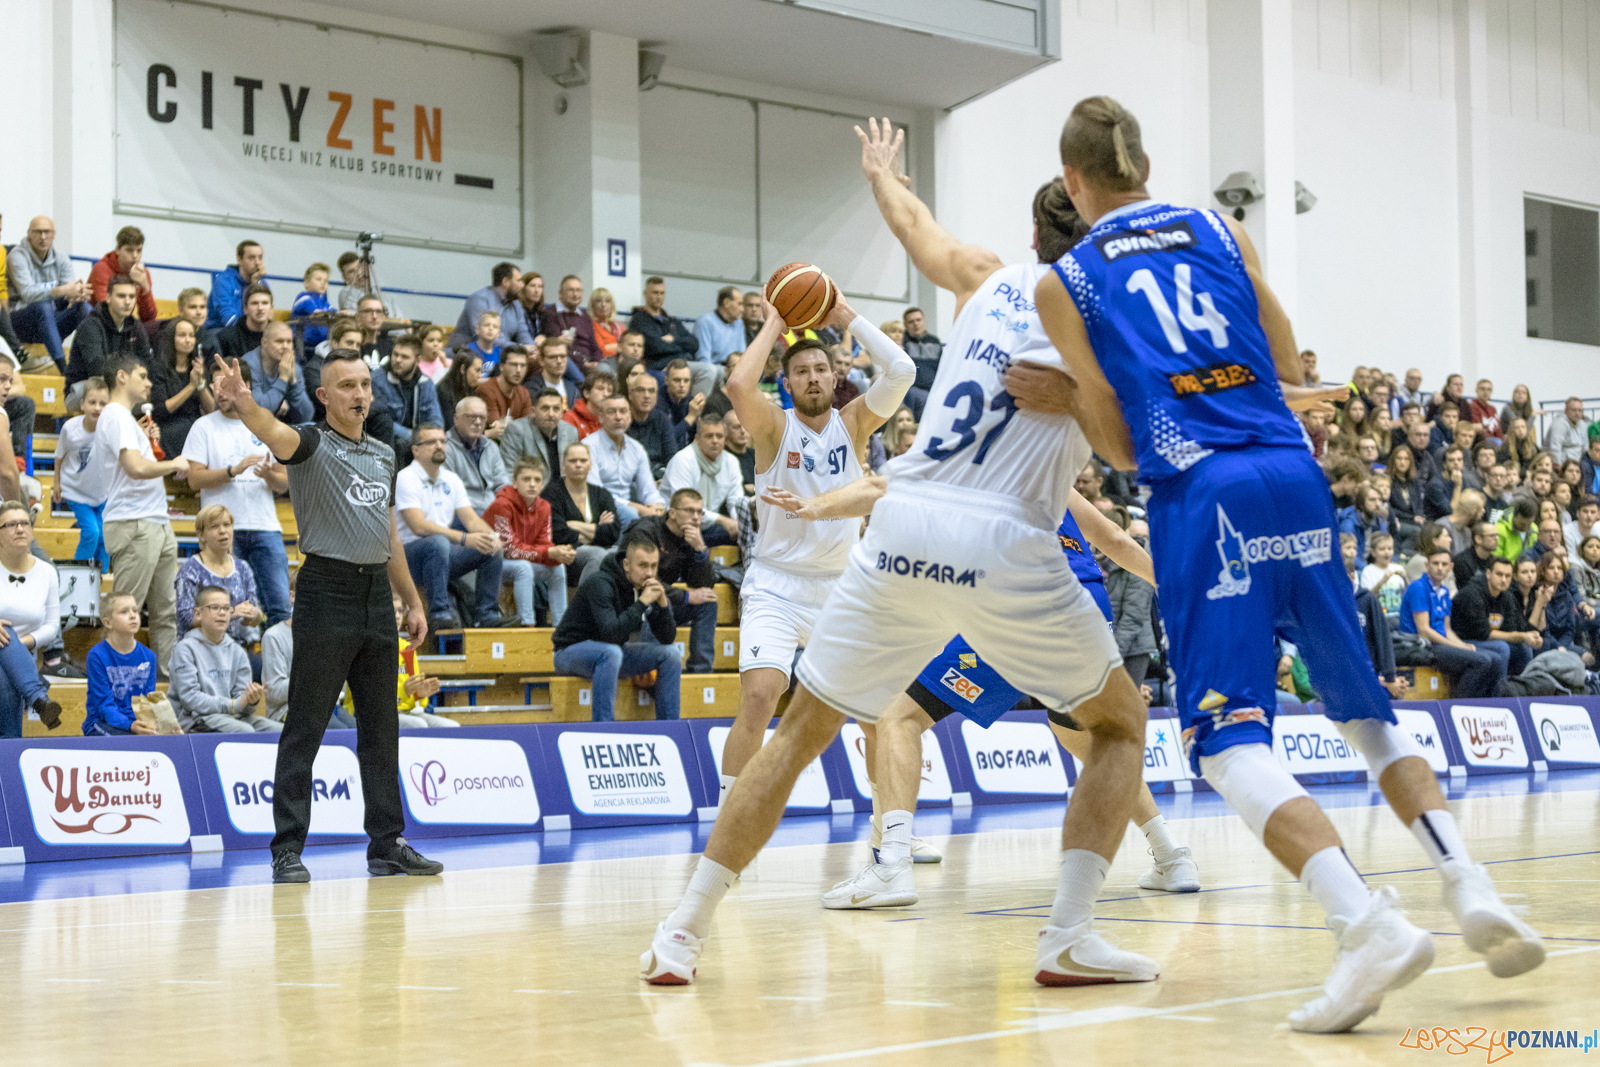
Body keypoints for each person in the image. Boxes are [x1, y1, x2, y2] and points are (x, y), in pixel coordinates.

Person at [1032, 96, 1539, 1030]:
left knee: (1224, 740)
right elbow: (1282, 358)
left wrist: (1069, 396)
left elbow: (1116, 443)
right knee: (1365, 713)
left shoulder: (1068, 280)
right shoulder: (1219, 228)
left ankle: (1364, 922)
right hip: (1291, 472)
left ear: (1072, 182)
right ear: (1143, 164)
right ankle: (1469, 885)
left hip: (1203, 489)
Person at [644, 120, 1145, 995]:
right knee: (1118, 725)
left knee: (801, 730)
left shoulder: (989, 280)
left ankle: (681, 930)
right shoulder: (1109, 310)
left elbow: (918, 228)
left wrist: (879, 173)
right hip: (1003, 538)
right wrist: (1074, 394)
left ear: (1034, 236)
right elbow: (1129, 450)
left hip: (903, 522)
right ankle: (1067, 933)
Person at [209, 345, 440, 883]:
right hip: (325, 590)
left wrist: (411, 599)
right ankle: (287, 849)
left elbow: (389, 536)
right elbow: (274, 432)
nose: (359, 394)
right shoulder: (310, 442)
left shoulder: (386, 454)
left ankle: (387, 845)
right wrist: (245, 404)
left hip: (375, 598)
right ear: (323, 395)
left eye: (364, 384)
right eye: (346, 386)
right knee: (306, 726)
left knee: (382, 729)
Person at [95, 356, 190, 672]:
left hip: (154, 521)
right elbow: (135, 468)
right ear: (121, 377)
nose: (149, 383)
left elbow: (134, 463)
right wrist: (174, 463)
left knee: (167, 611)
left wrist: (148, 442)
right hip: (134, 522)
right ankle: (114, 684)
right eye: (143, 375)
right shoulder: (117, 415)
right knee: (125, 610)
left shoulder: (124, 420)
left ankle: (170, 683)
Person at [551, 530, 682, 722]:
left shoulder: (644, 585)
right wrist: (642, 603)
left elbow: (667, 638)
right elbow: (611, 633)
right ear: (626, 564)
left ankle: (671, 728)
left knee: (671, 654)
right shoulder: (600, 583)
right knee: (611, 652)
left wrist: (662, 605)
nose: (649, 573)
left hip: (611, 656)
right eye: (643, 565)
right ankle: (604, 728)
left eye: (654, 566)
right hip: (570, 653)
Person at [396, 423, 507, 632]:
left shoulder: (451, 479)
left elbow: (471, 520)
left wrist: (491, 536)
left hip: (440, 557)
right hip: (408, 559)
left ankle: (486, 614)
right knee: (438, 543)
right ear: (415, 450)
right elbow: (418, 526)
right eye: (431, 442)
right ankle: (439, 613)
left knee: (490, 546)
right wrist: (464, 539)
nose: (439, 446)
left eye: (442, 441)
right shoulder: (406, 478)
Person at [624, 489, 720, 672]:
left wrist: (700, 550)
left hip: (664, 598)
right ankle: (651, 669)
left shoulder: (691, 538)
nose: (696, 517)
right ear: (673, 512)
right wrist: (685, 596)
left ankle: (701, 671)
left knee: (708, 601)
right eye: (690, 511)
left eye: (700, 512)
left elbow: (703, 585)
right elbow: (643, 580)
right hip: (633, 600)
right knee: (657, 602)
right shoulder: (646, 531)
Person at [169, 585, 279, 734]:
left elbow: (242, 708)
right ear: (198, 613)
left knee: (278, 731)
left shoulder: (237, 651)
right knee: (244, 731)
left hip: (231, 717)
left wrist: (251, 700)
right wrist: (234, 705)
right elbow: (190, 699)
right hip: (195, 720)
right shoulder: (185, 649)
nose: (221, 613)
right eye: (214, 607)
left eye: (226, 608)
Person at [484, 457, 574, 627]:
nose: (532, 484)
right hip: (490, 564)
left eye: (537, 480)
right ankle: (527, 625)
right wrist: (548, 553)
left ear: (542, 485)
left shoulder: (544, 507)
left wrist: (558, 554)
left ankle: (561, 627)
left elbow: (543, 543)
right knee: (522, 567)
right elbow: (508, 550)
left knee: (557, 568)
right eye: (526, 479)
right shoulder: (501, 505)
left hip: (521, 560)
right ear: (514, 483)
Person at [0, 501, 62, 736]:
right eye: (10, 524)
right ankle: (37, 697)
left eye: (24, 523)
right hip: (24, 666)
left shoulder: (47, 572)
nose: (19, 529)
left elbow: (52, 626)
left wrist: (18, 643)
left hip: (22, 658)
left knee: (5, 662)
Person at [174, 504, 263, 650]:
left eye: (227, 525)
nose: (223, 531)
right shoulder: (191, 569)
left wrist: (253, 615)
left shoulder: (242, 568)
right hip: (200, 649)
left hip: (237, 648)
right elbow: (186, 618)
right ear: (201, 535)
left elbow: (255, 613)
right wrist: (231, 612)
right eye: (215, 527)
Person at [9, 216, 91, 373]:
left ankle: (84, 364)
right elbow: (27, 294)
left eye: (47, 232)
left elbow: (68, 292)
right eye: (38, 232)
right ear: (29, 234)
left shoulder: (61, 258)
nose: (43, 237)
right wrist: (60, 291)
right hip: (21, 322)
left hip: (49, 323)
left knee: (85, 307)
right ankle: (63, 369)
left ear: (54, 234)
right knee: (43, 307)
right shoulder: (17, 256)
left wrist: (77, 293)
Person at [53, 378, 112, 570]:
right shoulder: (70, 429)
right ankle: (79, 574)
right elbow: (59, 456)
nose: (97, 408)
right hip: (76, 492)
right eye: (92, 402)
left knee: (105, 537)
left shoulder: (110, 431)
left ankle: (100, 578)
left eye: (103, 404)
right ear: (82, 404)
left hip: (100, 494)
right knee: (91, 532)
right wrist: (57, 483)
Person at [82, 593, 159, 736]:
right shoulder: (97, 656)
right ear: (107, 623)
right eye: (124, 611)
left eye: (135, 610)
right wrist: (130, 725)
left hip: (136, 723)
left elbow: (148, 702)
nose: (133, 616)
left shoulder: (149, 657)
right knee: (127, 740)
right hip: (100, 723)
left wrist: (165, 726)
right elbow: (104, 706)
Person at [1452, 558, 1542, 679]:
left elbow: (1513, 630)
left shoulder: (1507, 596)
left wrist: (1531, 636)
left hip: (1488, 641)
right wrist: (1522, 636)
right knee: (1502, 647)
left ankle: (1521, 689)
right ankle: (1499, 692)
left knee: (1524, 646)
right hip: (1464, 641)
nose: (1503, 580)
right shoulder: (1472, 594)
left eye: (1507, 576)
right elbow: (1484, 634)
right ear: (1488, 574)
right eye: (1499, 574)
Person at [661, 414, 743, 546]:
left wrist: (738, 522)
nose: (715, 440)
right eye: (709, 436)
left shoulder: (731, 462)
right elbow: (685, 509)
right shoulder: (683, 460)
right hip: (679, 526)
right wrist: (724, 520)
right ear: (697, 439)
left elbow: (736, 501)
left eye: (719, 436)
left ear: (725, 439)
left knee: (750, 531)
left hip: (710, 525)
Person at [583, 394, 663, 526]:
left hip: (632, 509)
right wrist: (639, 509)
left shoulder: (637, 448)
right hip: (600, 510)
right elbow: (596, 493)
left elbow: (648, 489)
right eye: (611, 412)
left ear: (630, 416)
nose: (618, 417)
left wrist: (657, 505)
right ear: (600, 417)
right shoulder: (588, 447)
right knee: (631, 514)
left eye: (623, 411)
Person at [544, 442, 620, 581]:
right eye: (573, 461)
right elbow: (558, 533)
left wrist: (573, 525)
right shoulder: (551, 494)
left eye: (583, 461)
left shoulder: (602, 494)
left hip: (599, 549)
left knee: (620, 554)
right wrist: (598, 529)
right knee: (598, 554)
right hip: (566, 554)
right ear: (563, 465)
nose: (578, 465)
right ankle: (584, 601)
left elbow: (613, 532)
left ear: (590, 464)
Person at [630, 276, 715, 399]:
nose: (658, 296)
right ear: (645, 293)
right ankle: (695, 410)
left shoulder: (671, 320)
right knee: (707, 370)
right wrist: (680, 346)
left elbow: (694, 343)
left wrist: (673, 340)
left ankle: (696, 409)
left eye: (662, 293)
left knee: (716, 371)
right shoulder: (639, 320)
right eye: (655, 293)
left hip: (683, 363)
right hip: (660, 366)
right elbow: (655, 347)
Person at [67, 274, 152, 396]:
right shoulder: (90, 325)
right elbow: (97, 369)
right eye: (121, 296)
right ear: (108, 298)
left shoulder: (136, 326)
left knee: (154, 394)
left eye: (132, 296)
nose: (127, 302)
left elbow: (147, 363)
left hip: (121, 384)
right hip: (83, 388)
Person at [371, 335, 442, 458]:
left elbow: (434, 418)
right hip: (388, 445)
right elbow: (383, 423)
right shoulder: (376, 380)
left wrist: (431, 437)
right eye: (395, 354)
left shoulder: (425, 383)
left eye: (405, 357)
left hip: (418, 444)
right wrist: (417, 437)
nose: (398, 360)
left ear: (417, 360)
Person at [444, 397, 511, 514]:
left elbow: (502, 484)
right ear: (456, 419)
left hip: (492, 510)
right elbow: (447, 492)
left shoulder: (491, 447)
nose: (478, 422)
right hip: (463, 513)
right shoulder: (445, 448)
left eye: (482, 417)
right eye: (472, 416)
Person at [501, 387, 578, 478]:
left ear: (562, 413)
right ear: (533, 411)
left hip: (562, 490)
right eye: (545, 408)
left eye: (556, 409)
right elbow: (509, 473)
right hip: (530, 489)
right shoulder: (516, 430)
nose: (551, 414)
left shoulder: (570, 431)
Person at [542, 274, 601, 370]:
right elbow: (557, 349)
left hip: (589, 362)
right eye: (571, 290)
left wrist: (597, 362)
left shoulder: (585, 315)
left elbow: (594, 346)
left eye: (578, 290)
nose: (575, 294)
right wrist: (584, 365)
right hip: (567, 363)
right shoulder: (550, 314)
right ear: (560, 292)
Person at [625, 373, 677, 479]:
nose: (647, 396)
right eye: (641, 390)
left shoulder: (662, 420)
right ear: (630, 394)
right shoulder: (621, 420)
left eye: (651, 391)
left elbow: (671, 459)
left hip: (659, 480)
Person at [899, 306, 942, 419]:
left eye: (918, 320)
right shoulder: (903, 342)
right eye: (911, 322)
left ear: (924, 321)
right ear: (906, 325)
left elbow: (942, 368)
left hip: (934, 388)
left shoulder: (935, 341)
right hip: (912, 388)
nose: (916, 324)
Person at [475, 344, 534, 425]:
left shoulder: (524, 393)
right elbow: (498, 430)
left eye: (523, 365)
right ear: (502, 367)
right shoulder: (486, 390)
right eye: (514, 365)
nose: (519, 370)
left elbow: (526, 428)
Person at [216, 283, 275, 363]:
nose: (260, 308)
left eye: (264, 303)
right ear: (245, 309)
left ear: (271, 308)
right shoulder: (226, 338)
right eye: (254, 303)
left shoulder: (280, 337)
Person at [692, 285, 745, 372]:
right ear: (727, 303)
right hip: (714, 370)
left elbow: (742, 355)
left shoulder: (739, 323)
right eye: (739, 304)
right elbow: (704, 360)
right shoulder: (705, 321)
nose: (742, 309)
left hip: (734, 370)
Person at [1361, 532, 1409, 623]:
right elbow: (1367, 599)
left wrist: (1405, 579)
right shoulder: (1368, 571)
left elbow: (1408, 595)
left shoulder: (1398, 568)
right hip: (1380, 619)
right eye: (1382, 549)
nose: (1386, 552)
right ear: (1373, 552)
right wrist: (1381, 582)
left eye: (1390, 548)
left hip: (1399, 618)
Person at [291, 262, 335, 350]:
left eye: (326, 281)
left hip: (322, 344)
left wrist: (342, 313)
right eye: (319, 279)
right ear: (307, 282)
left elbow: (333, 311)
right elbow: (312, 308)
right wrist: (320, 312)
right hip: (304, 346)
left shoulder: (324, 303)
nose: (323, 283)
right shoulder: (303, 297)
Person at [436, 351, 482, 430]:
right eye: (477, 370)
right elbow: (451, 428)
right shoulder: (444, 391)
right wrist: (486, 433)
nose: (479, 375)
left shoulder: (471, 387)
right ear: (463, 369)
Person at [530, 336, 579, 407]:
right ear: (541, 361)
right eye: (553, 357)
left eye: (562, 356)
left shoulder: (573, 390)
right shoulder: (532, 389)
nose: (559, 361)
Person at [564, 370, 613, 439]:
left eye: (609, 391)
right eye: (600, 388)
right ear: (587, 393)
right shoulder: (570, 419)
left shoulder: (612, 420)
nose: (606, 394)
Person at [721, 408, 757, 494]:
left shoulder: (756, 455)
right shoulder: (722, 458)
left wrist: (754, 488)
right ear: (725, 430)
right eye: (737, 427)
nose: (743, 431)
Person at [1548, 397, 1590, 465]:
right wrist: (1559, 468)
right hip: (1564, 466)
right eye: (1574, 410)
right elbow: (1555, 449)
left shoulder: (1583, 425)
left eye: (1580, 410)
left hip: (1578, 465)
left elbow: (1585, 448)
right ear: (1566, 411)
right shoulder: (1559, 424)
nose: (1577, 413)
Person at [589, 287, 625, 363]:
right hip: (605, 362)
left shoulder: (618, 325)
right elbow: (601, 351)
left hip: (623, 362)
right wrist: (620, 349)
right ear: (592, 305)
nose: (603, 305)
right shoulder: (592, 326)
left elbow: (629, 346)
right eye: (599, 301)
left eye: (607, 301)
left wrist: (610, 346)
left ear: (612, 305)